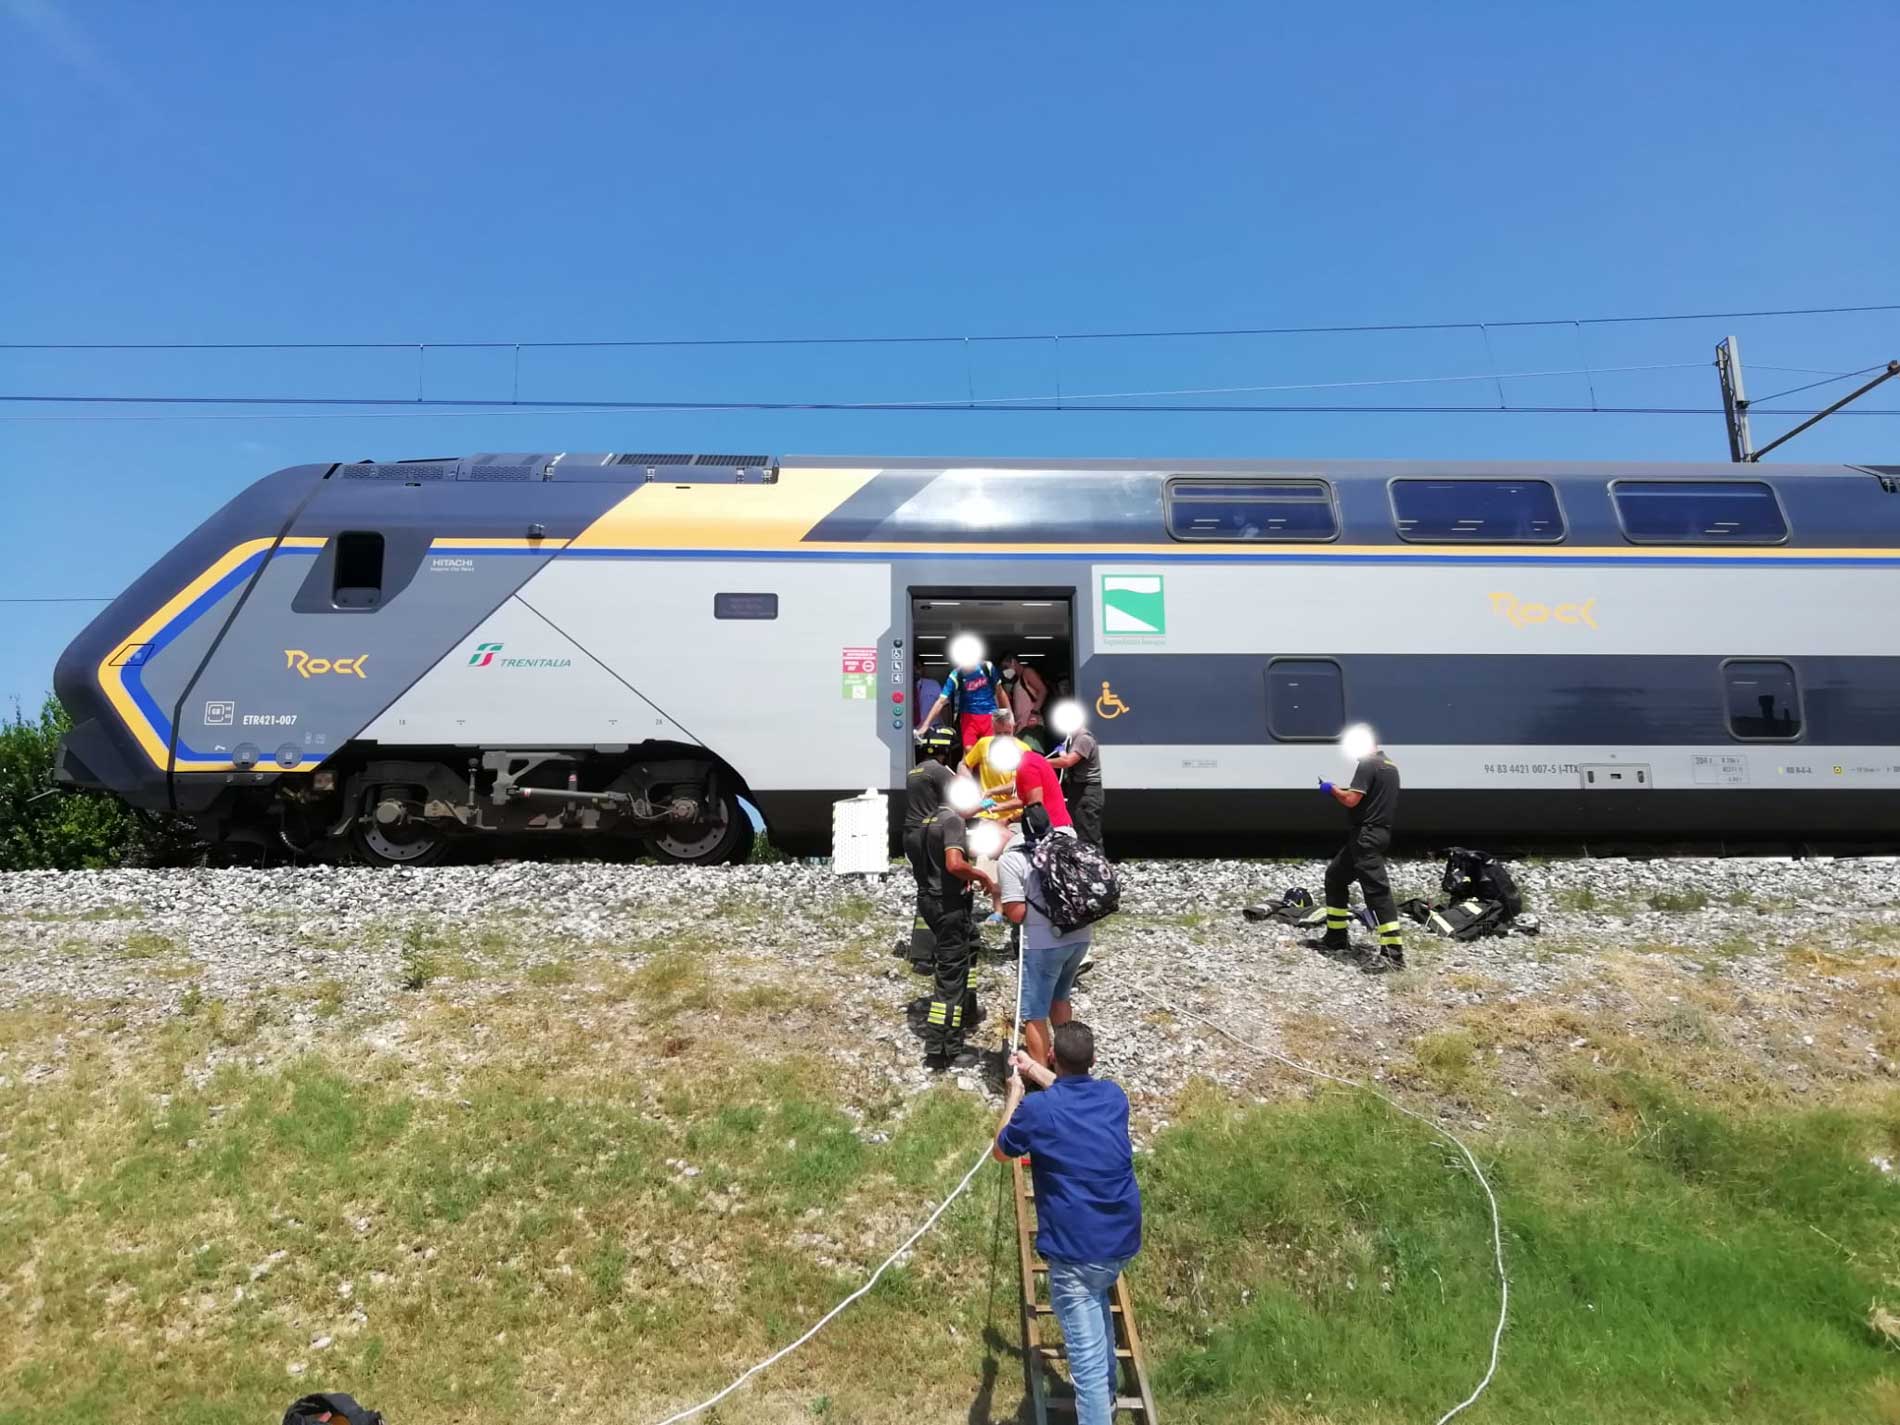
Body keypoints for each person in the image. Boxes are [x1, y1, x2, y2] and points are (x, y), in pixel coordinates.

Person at [993, 1023, 1142, 1425]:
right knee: (1099, 1322)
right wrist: (1032, 1069)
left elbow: (1002, 1150)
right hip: (1121, 1239)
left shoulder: (1040, 1110)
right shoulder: (1114, 1096)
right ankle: (1109, 1399)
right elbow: (1068, 1090)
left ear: (1054, 1055)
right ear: (1093, 1061)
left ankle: (1098, 1411)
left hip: (1076, 1251)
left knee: (1087, 1366)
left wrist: (1015, 1094)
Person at [998, 818, 1089, 1070]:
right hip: (1080, 937)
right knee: (1060, 998)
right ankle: (1067, 1068)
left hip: (1043, 944)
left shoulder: (1012, 860)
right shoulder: (1067, 846)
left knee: (1034, 1013)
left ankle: (1043, 1079)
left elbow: (1016, 914)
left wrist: (1004, 899)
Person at [919, 792, 996, 1069]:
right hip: (950, 906)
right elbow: (954, 864)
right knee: (949, 980)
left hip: (931, 901)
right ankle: (943, 1051)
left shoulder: (926, 820)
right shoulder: (952, 821)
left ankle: (968, 1010)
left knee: (970, 946)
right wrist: (981, 875)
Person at [1318, 738, 1404, 973]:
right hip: (1375, 834)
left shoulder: (1368, 764)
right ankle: (1336, 937)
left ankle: (1393, 955)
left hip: (1365, 836)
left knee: (1378, 892)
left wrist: (1331, 788)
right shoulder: (1390, 766)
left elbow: (1351, 799)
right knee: (1335, 877)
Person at [903, 724, 960, 969]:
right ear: (946, 750)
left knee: (924, 889)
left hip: (911, 835)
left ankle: (920, 953)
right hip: (930, 836)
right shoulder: (939, 772)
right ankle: (942, 947)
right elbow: (959, 800)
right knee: (939, 891)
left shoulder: (915, 771)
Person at [919, 644, 1001, 751]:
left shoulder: (987, 667)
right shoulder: (956, 675)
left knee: (991, 752)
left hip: (989, 716)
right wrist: (925, 725)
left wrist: (1009, 716)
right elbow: (941, 701)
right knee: (969, 752)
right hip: (968, 717)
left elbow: (1000, 692)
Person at [1048, 717, 1104, 846]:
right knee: (1078, 830)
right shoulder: (1074, 739)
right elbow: (1067, 758)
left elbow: (1067, 762)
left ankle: (1095, 863)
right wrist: (1062, 751)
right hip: (1078, 790)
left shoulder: (1083, 739)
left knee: (1088, 835)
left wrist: (1042, 762)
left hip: (1087, 792)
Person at [1000, 653, 1047, 746]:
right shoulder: (1017, 681)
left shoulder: (1027, 673)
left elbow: (1043, 690)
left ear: (1013, 662)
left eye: (1006, 667)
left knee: (1031, 755)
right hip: (1021, 727)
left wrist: (1034, 713)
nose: (1005, 670)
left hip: (1031, 725)